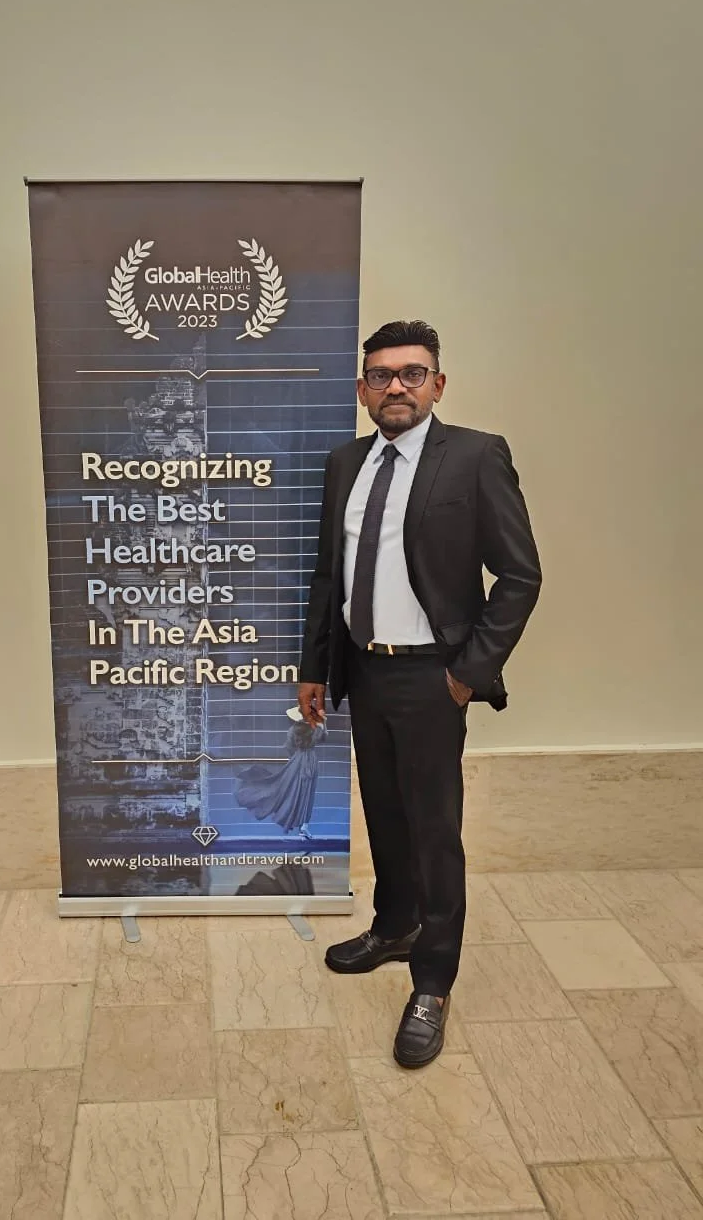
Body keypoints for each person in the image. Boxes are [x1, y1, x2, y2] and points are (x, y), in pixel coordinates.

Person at [297, 320, 541, 1069]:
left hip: (434, 677)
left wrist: (468, 672)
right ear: (362, 389)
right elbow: (329, 576)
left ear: (437, 384)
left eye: (411, 373)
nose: (395, 386)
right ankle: (394, 926)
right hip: (364, 672)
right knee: (386, 811)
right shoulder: (346, 463)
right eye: (381, 375)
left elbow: (520, 575)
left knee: (435, 831)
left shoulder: (474, 456)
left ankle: (433, 981)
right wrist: (316, 666)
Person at [233, 707, 325, 839]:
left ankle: (303, 825)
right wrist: (321, 725)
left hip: (298, 759)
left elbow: (289, 746)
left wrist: (295, 758)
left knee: (293, 790)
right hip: (308, 760)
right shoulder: (311, 729)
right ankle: (303, 825)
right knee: (306, 793)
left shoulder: (293, 729)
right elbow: (318, 739)